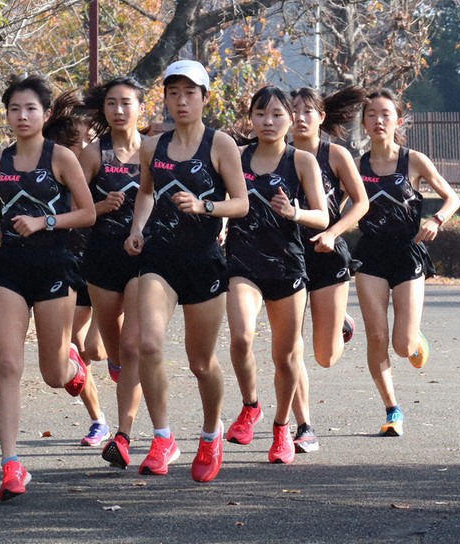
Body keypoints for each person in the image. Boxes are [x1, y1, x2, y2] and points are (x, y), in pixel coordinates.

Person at [0, 74, 96, 501]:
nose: (22, 116)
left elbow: (88, 213)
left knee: (54, 374)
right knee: (8, 364)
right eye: (14, 109)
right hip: (10, 268)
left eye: (30, 109)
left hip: (55, 265)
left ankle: (73, 366)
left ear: (44, 114)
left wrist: (45, 221)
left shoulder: (61, 158)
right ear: (6, 114)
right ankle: (11, 464)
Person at [124, 59, 248, 482]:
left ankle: (211, 434)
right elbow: (145, 193)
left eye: (189, 93)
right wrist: (137, 228)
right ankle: (162, 437)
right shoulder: (151, 146)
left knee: (201, 362)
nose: (180, 101)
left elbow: (242, 203)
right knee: (148, 344)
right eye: (173, 93)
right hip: (159, 258)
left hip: (203, 260)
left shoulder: (220, 144)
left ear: (204, 98)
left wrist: (204, 206)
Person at [224, 85, 329, 465]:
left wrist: (294, 213)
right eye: (260, 114)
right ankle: (251, 405)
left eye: (277, 115)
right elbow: (224, 200)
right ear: (250, 118)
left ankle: (282, 428)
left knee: (285, 358)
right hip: (243, 262)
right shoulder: (235, 157)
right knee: (240, 336)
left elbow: (323, 216)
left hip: (286, 265)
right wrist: (218, 219)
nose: (268, 122)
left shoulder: (302, 161)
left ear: (289, 120)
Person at [355, 89, 460, 437]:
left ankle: (415, 339)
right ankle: (392, 409)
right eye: (371, 114)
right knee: (376, 337)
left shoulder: (413, 160)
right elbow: (338, 205)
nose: (378, 120)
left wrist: (436, 220)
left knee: (403, 345)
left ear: (398, 121)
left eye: (385, 114)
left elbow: (451, 198)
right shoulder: (357, 165)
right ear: (364, 122)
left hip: (407, 254)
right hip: (370, 256)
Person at [288, 86, 369, 453]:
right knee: (289, 346)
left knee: (325, 355)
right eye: (293, 110)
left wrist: (333, 232)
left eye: (308, 111)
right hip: (284, 256)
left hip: (326, 253)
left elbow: (361, 202)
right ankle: (303, 426)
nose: (300, 117)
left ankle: (341, 324)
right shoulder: (272, 155)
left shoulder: (334, 155)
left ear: (321, 117)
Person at [76, 76, 146, 469]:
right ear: (104, 111)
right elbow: (74, 203)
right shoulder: (92, 153)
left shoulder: (154, 151)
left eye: (126, 103)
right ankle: (120, 370)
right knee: (109, 351)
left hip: (144, 258)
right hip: (101, 258)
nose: (119, 110)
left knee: (135, 346)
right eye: (112, 104)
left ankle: (124, 435)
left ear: (140, 108)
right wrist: (102, 206)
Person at [42, 89, 111, 448]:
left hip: (110, 264)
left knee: (98, 350)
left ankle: (117, 352)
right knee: (74, 347)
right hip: (71, 265)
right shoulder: (54, 170)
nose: (85, 145)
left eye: (90, 138)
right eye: (78, 140)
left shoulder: (108, 164)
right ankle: (99, 421)